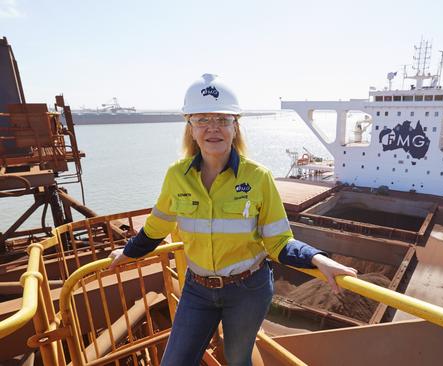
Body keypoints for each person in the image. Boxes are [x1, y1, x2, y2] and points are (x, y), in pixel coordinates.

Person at [109, 74, 357, 366]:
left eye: (222, 119)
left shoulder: (258, 177)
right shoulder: (177, 176)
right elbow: (156, 228)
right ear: (190, 127)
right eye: (202, 119)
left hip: (248, 289)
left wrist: (317, 259)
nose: (213, 128)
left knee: (238, 359)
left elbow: (278, 240)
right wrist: (128, 252)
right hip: (197, 289)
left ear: (235, 126)